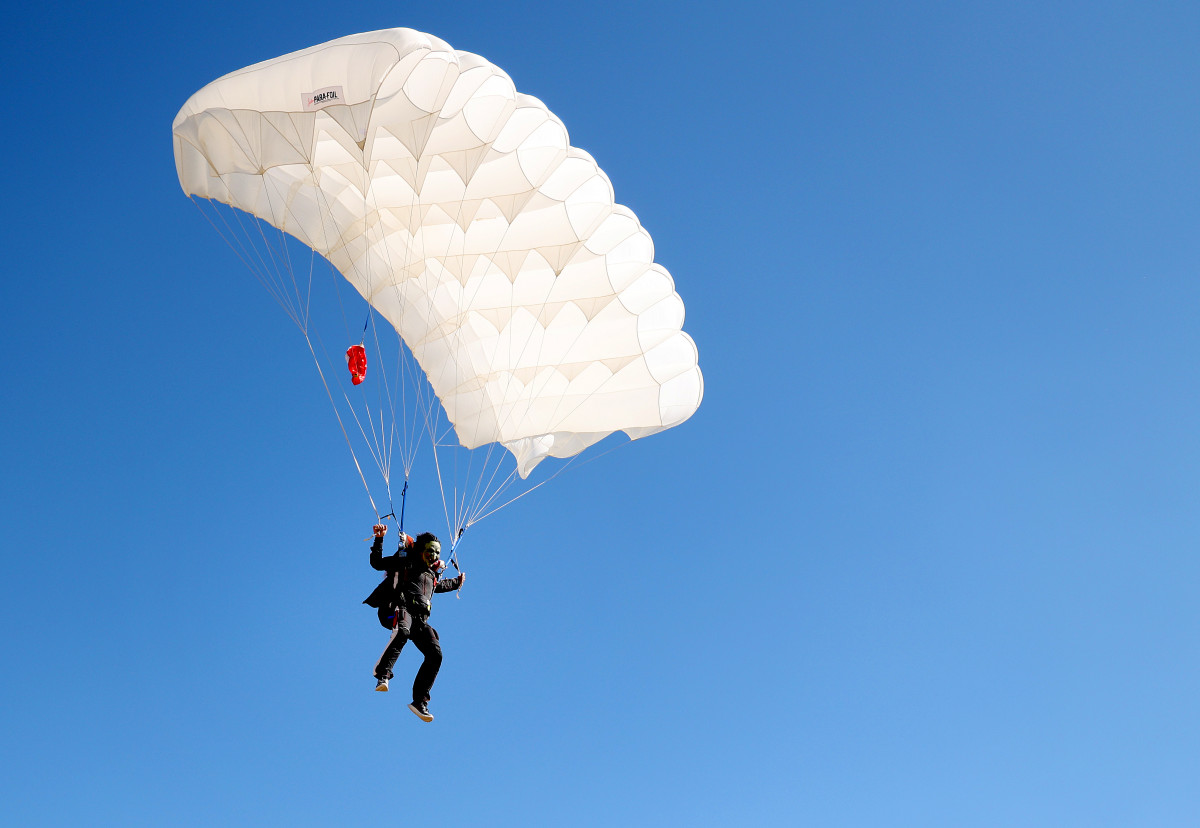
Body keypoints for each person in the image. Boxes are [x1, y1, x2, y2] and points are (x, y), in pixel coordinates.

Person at [362, 524, 464, 722]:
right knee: (403, 632)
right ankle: (382, 672)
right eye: (430, 551)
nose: (434, 555)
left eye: (437, 553)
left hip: (420, 619)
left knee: (436, 654)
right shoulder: (406, 561)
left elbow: (437, 587)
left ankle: (420, 701)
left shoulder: (431, 575)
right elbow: (377, 563)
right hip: (398, 608)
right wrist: (379, 539)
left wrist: (457, 583)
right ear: (421, 550)